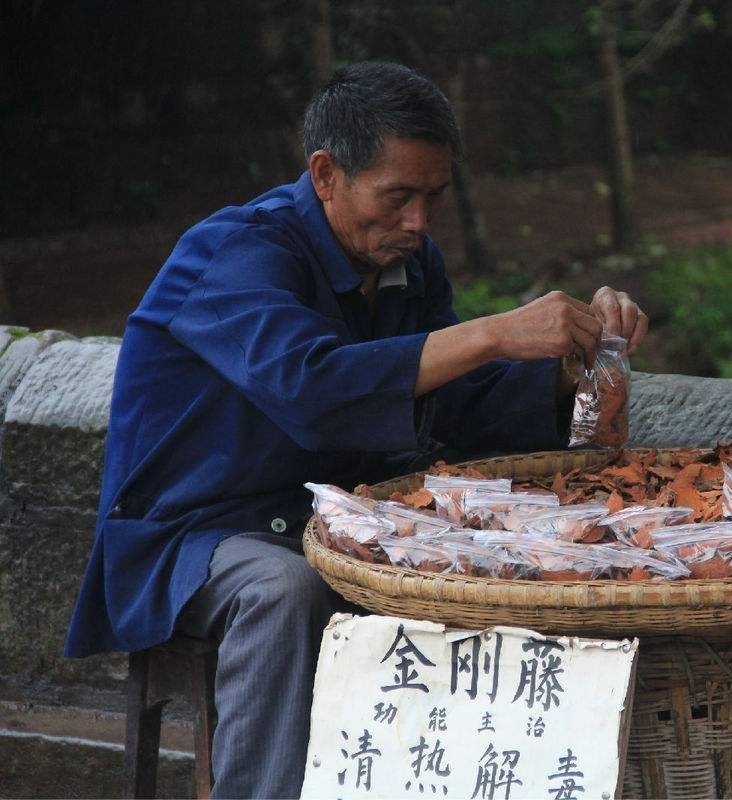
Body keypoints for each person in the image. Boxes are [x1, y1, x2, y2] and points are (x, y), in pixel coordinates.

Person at [63, 61, 648, 798]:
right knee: (288, 590)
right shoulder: (236, 253)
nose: (418, 223)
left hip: (343, 515)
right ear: (325, 174)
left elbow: (458, 407)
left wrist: (568, 371)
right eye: (397, 197)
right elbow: (312, 391)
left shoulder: (407, 261)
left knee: (505, 561)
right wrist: (495, 332)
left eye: (433, 198)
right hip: (198, 532)